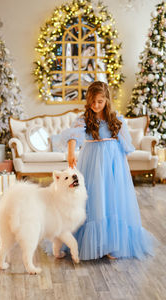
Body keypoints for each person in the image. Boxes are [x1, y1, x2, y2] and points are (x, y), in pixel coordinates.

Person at [61, 81, 157, 260]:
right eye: (92, 101)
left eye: (100, 101)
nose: (95, 105)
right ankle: (97, 243)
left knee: (112, 200)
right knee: (95, 199)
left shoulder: (116, 119)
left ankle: (112, 243)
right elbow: (74, 135)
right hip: (91, 162)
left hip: (113, 164)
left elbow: (124, 146)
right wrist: (71, 152)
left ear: (107, 100)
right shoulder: (84, 119)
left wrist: (121, 171)